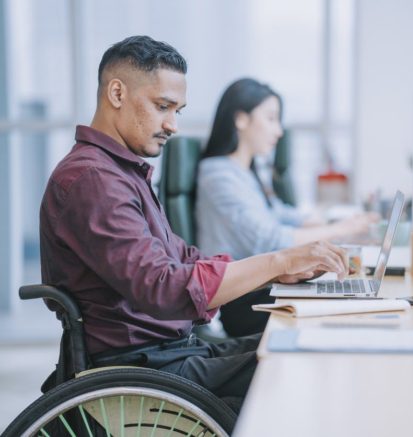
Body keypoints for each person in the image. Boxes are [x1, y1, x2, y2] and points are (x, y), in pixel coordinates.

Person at [39, 35, 348, 413]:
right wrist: (277, 262)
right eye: (162, 107)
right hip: (140, 369)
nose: (172, 125)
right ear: (116, 93)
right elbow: (163, 287)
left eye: (177, 111)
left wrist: (275, 274)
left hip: (168, 353)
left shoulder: (120, 173)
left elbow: (181, 256)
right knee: (297, 365)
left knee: (298, 343)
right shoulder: (93, 180)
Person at [194, 78, 377, 337]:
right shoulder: (218, 175)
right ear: (241, 120)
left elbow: (279, 213)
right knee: (337, 314)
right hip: (243, 299)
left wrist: (329, 225)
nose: (278, 131)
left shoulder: (247, 171)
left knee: (344, 299)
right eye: (271, 119)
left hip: (264, 284)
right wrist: (338, 229)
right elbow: (268, 238)